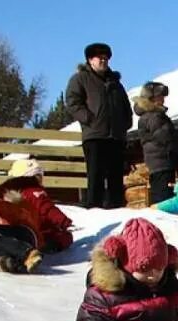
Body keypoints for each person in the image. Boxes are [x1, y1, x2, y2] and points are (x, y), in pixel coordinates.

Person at [66, 42, 132, 210]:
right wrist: (89, 119)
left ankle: (117, 208)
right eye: (99, 58)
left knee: (116, 176)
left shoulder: (116, 84)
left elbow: (126, 107)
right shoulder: (80, 79)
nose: (103, 61)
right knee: (96, 175)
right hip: (95, 135)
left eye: (106, 58)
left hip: (116, 137)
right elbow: (73, 102)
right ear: (90, 60)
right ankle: (93, 208)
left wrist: (125, 124)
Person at [0, 158, 74, 252]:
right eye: (39, 176)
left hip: (7, 228)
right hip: (36, 230)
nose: (40, 179)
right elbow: (48, 209)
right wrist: (65, 222)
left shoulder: (3, 192)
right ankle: (50, 246)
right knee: (66, 236)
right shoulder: (35, 192)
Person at [134, 81, 178, 205]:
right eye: (160, 96)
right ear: (151, 98)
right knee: (164, 199)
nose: (163, 99)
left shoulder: (152, 115)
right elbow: (164, 137)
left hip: (160, 163)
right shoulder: (154, 116)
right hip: (162, 162)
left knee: (163, 196)